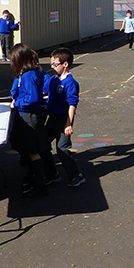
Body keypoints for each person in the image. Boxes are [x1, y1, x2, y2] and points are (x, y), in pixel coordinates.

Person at [9, 44, 57, 197]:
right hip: (30, 114)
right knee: (34, 147)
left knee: (33, 151)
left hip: (28, 115)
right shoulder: (29, 74)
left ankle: (39, 185)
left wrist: (16, 103)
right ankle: (44, 176)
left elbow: (32, 98)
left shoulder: (28, 76)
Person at [44, 47, 85, 187]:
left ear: (65, 64)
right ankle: (52, 174)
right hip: (52, 118)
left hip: (62, 119)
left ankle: (75, 176)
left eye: (55, 64)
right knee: (42, 144)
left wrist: (68, 123)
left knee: (62, 149)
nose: (52, 67)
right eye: (52, 64)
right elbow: (44, 91)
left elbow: (72, 104)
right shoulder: (53, 79)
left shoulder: (71, 83)